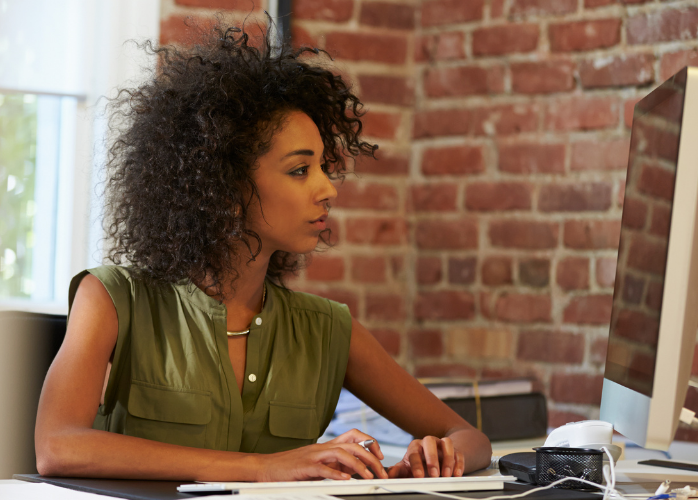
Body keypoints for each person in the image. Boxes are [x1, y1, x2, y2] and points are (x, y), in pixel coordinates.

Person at [34, 20, 492, 482]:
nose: (327, 188)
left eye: (323, 167)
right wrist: (263, 468)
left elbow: (470, 438)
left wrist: (436, 456)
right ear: (225, 185)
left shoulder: (328, 329)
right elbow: (57, 445)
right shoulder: (112, 299)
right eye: (299, 170)